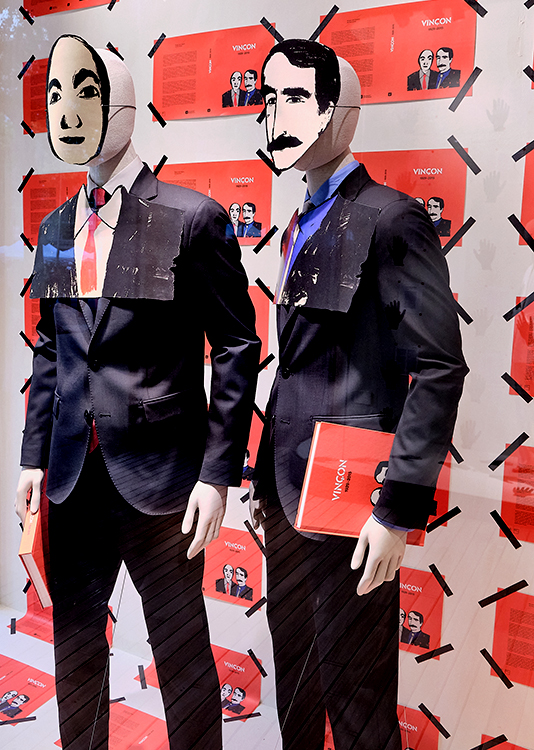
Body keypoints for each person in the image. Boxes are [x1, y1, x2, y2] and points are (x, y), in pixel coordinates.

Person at [15, 35, 260, 750]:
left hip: (162, 480)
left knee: (180, 655)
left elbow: (237, 345)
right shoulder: (56, 227)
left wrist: (218, 473)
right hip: (71, 477)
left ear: (120, 106)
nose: (66, 110)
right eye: (56, 95)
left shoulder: (191, 217)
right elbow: (52, 348)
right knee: (74, 647)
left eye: (85, 93)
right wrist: (32, 457)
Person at [250, 38, 467, 750]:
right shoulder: (297, 220)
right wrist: (260, 477)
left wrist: (395, 508)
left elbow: (439, 366)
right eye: (268, 99)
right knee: (294, 685)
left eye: (294, 98)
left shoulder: (393, 218)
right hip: (285, 496)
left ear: (338, 112)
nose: (276, 115)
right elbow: (297, 368)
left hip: (351, 505)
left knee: (357, 703)